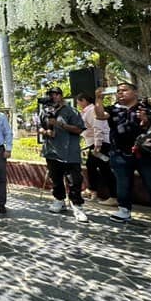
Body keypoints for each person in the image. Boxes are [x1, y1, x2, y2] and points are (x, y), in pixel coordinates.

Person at [95, 83, 151, 228]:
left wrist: (147, 119)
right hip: (120, 153)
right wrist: (99, 99)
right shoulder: (113, 109)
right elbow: (100, 115)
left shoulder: (146, 107)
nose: (120, 93)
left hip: (144, 153)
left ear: (135, 92)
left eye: (124, 90)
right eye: (118, 91)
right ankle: (124, 210)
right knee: (123, 183)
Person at [38, 87, 88, 223]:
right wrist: (45, 131)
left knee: (74, 180)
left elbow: (78, 129)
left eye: (55, 94)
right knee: (56, 179)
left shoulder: (71, 111)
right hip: (51, 152)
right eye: (50, 95)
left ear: (61, 96)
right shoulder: (45, 111)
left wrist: (60, 124)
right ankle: (59, 200)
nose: (52, 97)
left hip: (69, 153)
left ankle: (77, 206)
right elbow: (40, 127)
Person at [76, 93, 116, 204]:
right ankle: (93, 190)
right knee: (92, 166)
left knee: (104, 169)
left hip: (99, 143)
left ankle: (113, 196)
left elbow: (98, 127)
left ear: (83, 100)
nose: (78, 104)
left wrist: (98, 145)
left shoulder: (91, 110)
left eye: (78, 102)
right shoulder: (86, 111)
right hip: (95, 143)